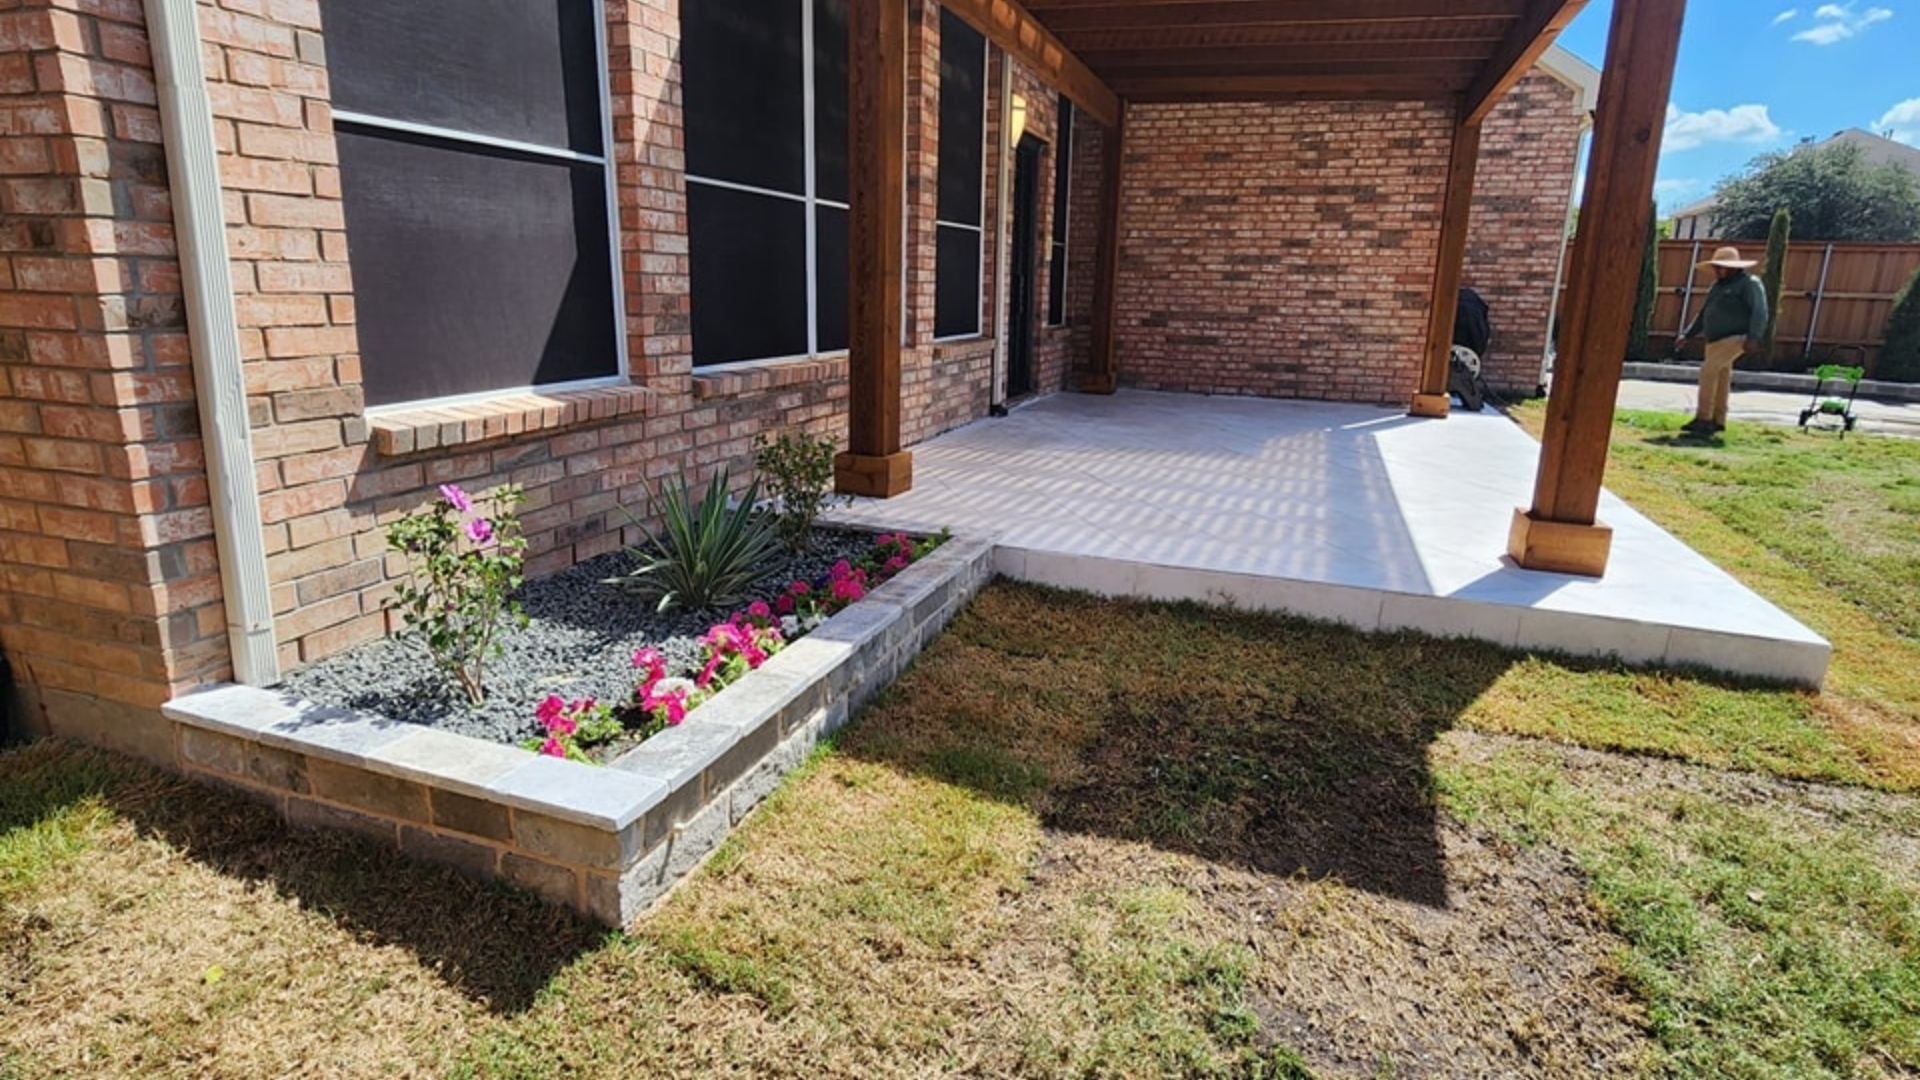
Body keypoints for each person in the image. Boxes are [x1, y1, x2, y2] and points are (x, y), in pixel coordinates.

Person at [1675, 246, 1768, 435]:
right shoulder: (1717, 286)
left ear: (1734, 267)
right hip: (1714, 340)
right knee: (1721, 376)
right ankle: (1718, 420)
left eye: (1722, 267)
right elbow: (1704, 313)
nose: (1718, 271)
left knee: (1708, 371)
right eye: (1716, 267)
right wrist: (1688, 334)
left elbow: (1760, 311)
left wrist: (1754, 337)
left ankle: (1703, 418)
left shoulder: (1749, 283)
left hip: (1736, 338)